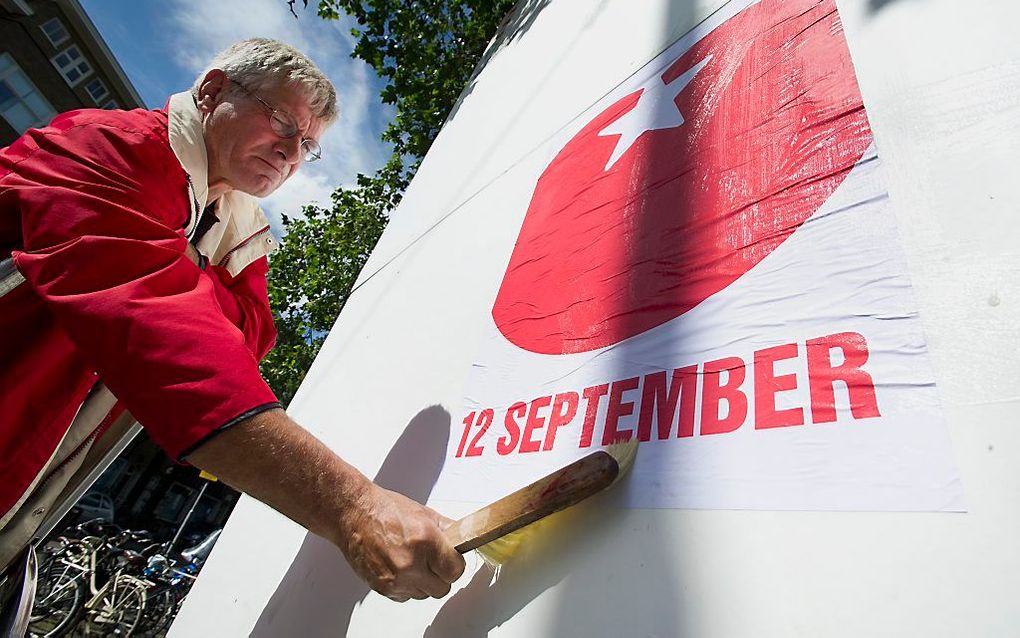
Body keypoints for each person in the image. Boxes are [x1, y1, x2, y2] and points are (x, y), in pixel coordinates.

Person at [0, 38, 464, 604]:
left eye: (309, 146)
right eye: (281, 122)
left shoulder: (235, 229)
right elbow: (165, 336)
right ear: (213, 90)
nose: (292, 153)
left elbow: (249, 340)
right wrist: (353, 505)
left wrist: (183, 274)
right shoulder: (108, 147)